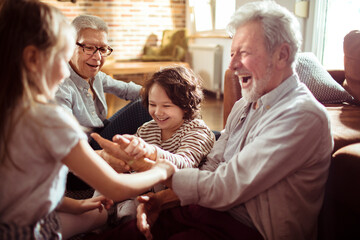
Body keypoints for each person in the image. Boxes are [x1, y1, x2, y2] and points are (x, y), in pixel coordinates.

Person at [91, 1, 334, 240]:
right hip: (206, 209)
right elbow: (212, 165)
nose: (232, 65)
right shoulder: (244, 106)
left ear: (282, 55)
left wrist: (147, 165)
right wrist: (162, 200)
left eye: (244, 53)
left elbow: (226, 186)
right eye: (232, 53)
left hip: (247, 229)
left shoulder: (302, 116)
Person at [0, 1, 175, 240]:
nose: (65, 72)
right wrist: (162, 170)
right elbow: (115, 187)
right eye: (62, 59)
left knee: (95, 214)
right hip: (35, 230)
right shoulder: (50, 117)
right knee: (107, 211)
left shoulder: (11, 110)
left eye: (103, 49)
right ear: (32, 59)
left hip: (22, 220)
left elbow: (24, 188)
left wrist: (75, 205)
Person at [93, 65, 215, 225]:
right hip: (135, 186)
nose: (158, 112)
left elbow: (185, 165)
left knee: (131, 212)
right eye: (153, 104)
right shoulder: (148, 128)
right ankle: (96, 215)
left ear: (186, 105)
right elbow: (128, 161)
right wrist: (118, 155)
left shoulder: (197, 131)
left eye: (166, 106)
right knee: (107, 180)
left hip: (165, 195)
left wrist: (151, 152)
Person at [55, 14, 152, 199]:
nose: (98, 57)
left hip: (99, 137)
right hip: (82, 164)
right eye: (89, 48)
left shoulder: (96, 77)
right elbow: (64, 146)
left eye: (103, 49)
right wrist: (104, 157)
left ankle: (192, 139)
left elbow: (129, 90)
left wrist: (165, 92)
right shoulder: (61, 86)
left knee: (149, 98)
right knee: (143, 107)